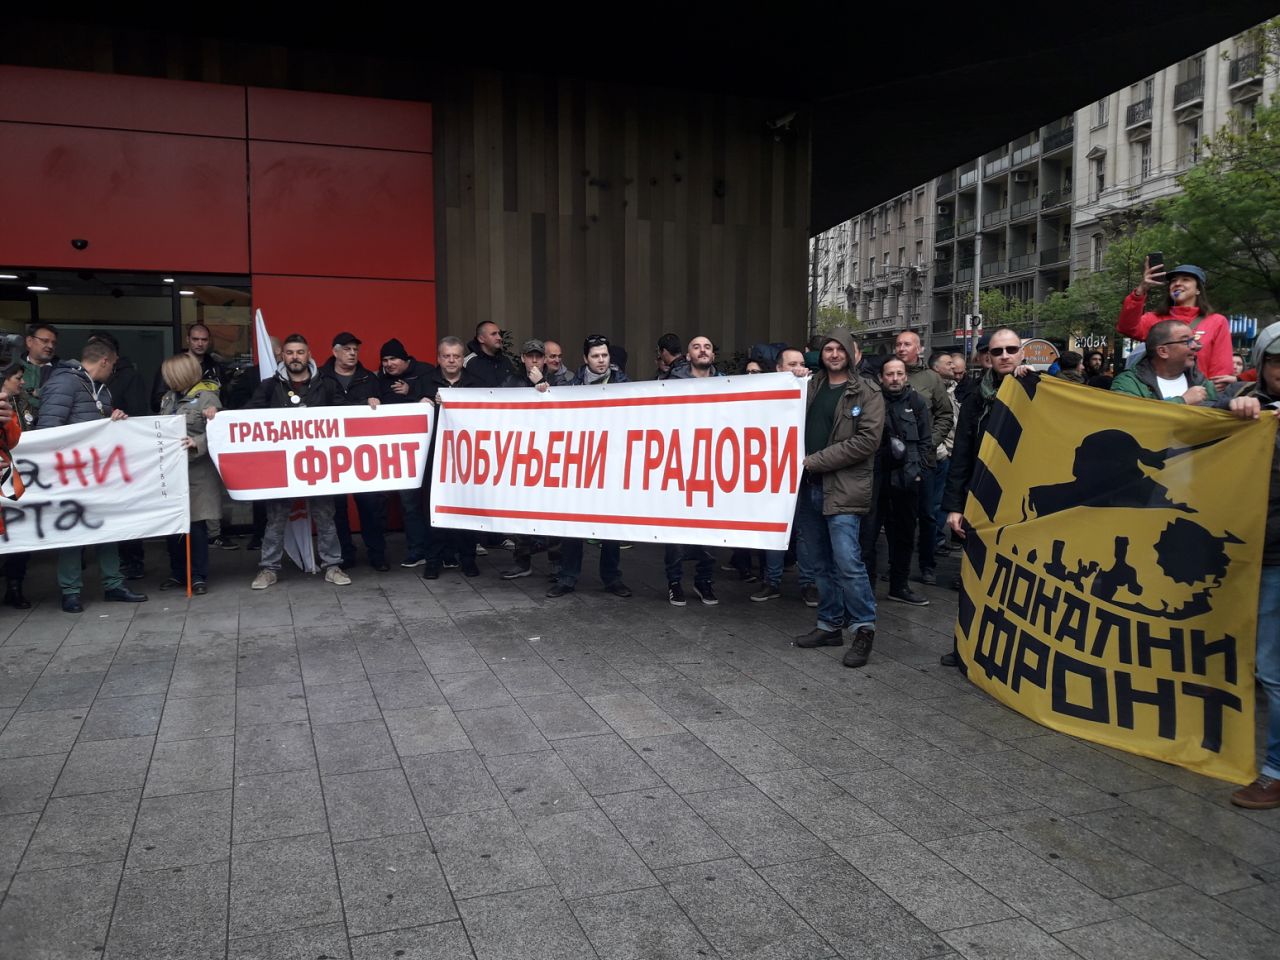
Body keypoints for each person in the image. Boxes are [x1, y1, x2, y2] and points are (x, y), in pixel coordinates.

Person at [37, 339, 148, 613]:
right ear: (105, 361)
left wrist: (114, 416)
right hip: (71, 475)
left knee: (107, 528)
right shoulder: (64, 383)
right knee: (73, 533)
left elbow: (96, 421)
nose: (113, 372)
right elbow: (48, 429)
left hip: (99, 474)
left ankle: (113, 584)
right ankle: (71, 591)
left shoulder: (98, 388)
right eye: (113, 366)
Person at [794, 331, 882, 667]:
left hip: (843, 488)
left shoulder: (868, 392)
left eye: (839, 349)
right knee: (819, 562)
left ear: (852, 354)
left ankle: (863, 629)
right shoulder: (811, 386)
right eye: (828, 349)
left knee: (848, 562)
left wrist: (814, 460)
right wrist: (795, 377)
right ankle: (829, 625)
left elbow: (866, 442)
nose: (833, 354)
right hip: (809, 487)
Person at [941, 327, 1028, 667]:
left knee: (1015, 582)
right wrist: (953, 507)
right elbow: (961, 454)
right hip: (981, 499)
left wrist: (1034, 382)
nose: (1005, 356)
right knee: (975, 579)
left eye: (1011, 349)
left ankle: (1011, 654)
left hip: (1021, 504)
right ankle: (965, 646)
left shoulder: (1037, 389)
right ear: (987, 357)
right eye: (997, 351)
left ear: (1022, 353)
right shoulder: (976, 397)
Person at [1221, 320, 1280, 809]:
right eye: (1278, 362)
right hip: (1260, 555)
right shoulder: (1250, 406)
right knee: (1269, 667)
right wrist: (1234, 406)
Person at [239, 334, 349, 589]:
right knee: (276, 518)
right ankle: (268, 569)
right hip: (281, 466)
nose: (295, 357)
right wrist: (218, 416)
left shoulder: (327, 385)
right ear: (282, 356)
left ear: (309, 355)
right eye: (290, 352)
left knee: (325, 516)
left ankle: (332, 566)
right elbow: (246, 415)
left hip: (319, 465)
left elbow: (348, 415)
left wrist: (369, 405)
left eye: (300, 352)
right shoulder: (269, 387)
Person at [547, 335, 633, 599]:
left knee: (611, 525)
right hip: (581, 464)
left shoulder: (624, 384)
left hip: (612, 464)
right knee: (573, 524)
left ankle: (612, 577)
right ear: (585, 359)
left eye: (605, 355)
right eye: (595, 356)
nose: (601, 360)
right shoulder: (572, 386)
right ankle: (568, 576)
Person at [860, 358, 933, 606]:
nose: (894, 378)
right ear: (881, 377)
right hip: (876, 479)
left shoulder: (917, 403)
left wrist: (920, 469)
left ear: (906, 376)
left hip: (907, 479)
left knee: (903, 535)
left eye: (899, 373)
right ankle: (866, 589)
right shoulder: (871, 402)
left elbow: (926, 440)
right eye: (889, 374)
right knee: (867, 537)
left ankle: (899, 586)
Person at [318, 332, 388, 572]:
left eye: (355, 350)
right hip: (331, 452)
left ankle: (377, 555)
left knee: (370, 506)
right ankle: (344, 554)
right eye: (347, 349)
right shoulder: (320, 377)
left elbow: (384, 410)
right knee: (337, 508)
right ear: (334, 351)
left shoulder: (369, 378)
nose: (352, 353)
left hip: (363, 453)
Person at [753, 347, 814, 602]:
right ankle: (772, 581)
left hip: (806, 470)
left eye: (801, 363)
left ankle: (809, 583)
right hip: (775, 470)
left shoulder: (813, 390)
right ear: (778, 369)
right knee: (774, 526)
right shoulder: (766, 393)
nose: (798, 368)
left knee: (805, 529)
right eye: (792, 364)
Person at [892, 331, 952, 588]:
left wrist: (930, 443)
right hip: (895, 461)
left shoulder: (931, 379)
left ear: (919, 349)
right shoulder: (887, 375)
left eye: (907, 344)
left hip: (924, 460)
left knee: (927, 514)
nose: (901, 348)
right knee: (896, 516)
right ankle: (897, 568)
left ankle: (927, 565)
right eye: (898, 344)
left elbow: (945, 415)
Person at [664, 336, 720, 605]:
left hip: (712, 466)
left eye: (707, 347)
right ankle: (674, 582)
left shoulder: (727, 384)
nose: (702, 350)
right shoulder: (671, 385)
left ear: (713, 355)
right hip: (680, 465)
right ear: (688, 356)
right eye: (696, 346)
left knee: (709, 527)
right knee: (675, 528)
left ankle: (704, 581)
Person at [157, 354, 220, 595]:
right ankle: (178, 573)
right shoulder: (168, 398)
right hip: (173, 471)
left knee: (196, 526)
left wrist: (197, 441)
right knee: (174, 526)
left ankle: (198, 575)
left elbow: (219, 431)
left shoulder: (207, 398)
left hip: (197, 473)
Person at [422, 336, 482, 579]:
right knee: (434, 511)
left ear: (462, 359)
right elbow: (412, 416)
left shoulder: (477, 385)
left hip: (466, 458)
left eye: (456, 356)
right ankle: (433, 561)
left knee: (467, 508)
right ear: (438, 358)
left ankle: (468, 559)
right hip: (434, 458)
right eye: (446, 356)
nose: (451, 360)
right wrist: (424, 404)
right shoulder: (425, 383)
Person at [1117, 260, 1233, 385]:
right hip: (1157, 396)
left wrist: (1208, 396)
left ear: (1198, 289)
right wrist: (1141, 290)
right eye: (1173, 281)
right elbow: (1127, 328)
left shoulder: (1216, 321)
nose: (1177, 283)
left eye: (1185, 279)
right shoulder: (1155, 318)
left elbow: (1221, 370)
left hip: (1199, 396)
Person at [375, 338, 435, 567]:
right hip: (395, 453)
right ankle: (417, 551)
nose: (388, 364)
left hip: (427, 450)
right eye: (384, 360)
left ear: (405, 359)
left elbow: (434, 399)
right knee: (407, 504)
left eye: (393, 359)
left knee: (429, 502)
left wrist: (411, 392)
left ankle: (441, 551)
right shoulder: (379, 379)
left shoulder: (426, 372)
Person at [500, 340, 556, 580]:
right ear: (522, 358)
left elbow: (565, 409)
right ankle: (522, 561)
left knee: (553, 511)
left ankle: (557, 565)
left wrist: (542, 385)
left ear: (544, 359)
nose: (534, 360)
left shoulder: (560, 381)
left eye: (538, 356)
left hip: (550, 454)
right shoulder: (510, 381)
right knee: (520, 509)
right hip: (521, 453)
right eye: (529, 356)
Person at [1110, 320, 1218, 406]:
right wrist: (1182, 401)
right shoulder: (1129, 383)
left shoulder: (1201, 382)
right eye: (1187, 342)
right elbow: (1132, 418)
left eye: (1194, 340)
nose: (1195, 346)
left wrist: (1230, 403)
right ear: (1163, 351)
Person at [0, 372, 27, 609]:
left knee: (17, 535)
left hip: (7, 483)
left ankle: (14, 587)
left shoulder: (12, 405)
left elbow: (13, 441)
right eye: (17, 376)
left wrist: (7, 419)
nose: (22, 381)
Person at [19, 322, 58, 421]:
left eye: (54, 343)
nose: (50, 346)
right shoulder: (13, 368)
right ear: (29, 341)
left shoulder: (63, 371)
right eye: (45, 341)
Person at [464, 321, 514, 387]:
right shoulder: (469, 361)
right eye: (493, 334)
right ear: (481, 339)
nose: (499, 338)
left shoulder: (505, 361)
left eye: (499, 334)